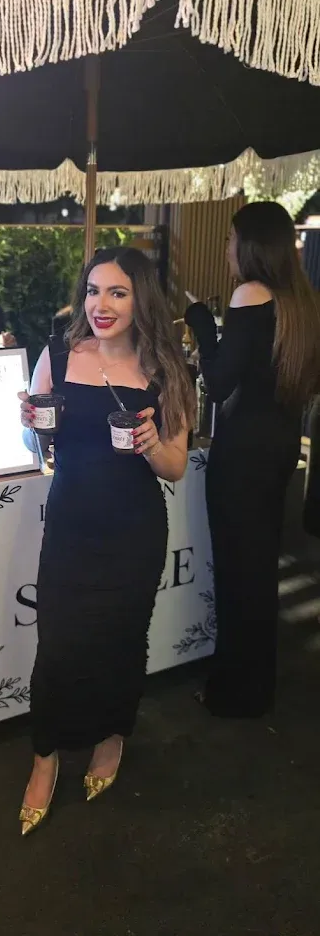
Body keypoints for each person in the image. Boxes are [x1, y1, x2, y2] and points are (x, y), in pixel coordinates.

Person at [18, 247, 195, 836]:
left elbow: (176, 467)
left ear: (142, 299)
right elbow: (37, 447)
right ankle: (45, 758)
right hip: (71, 526)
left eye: (118, 292)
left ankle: (112, 737)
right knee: (57, 648)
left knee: (121, 641)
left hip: (133, 531)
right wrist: (29, 426)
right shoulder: (58, 355)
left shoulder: (165, 369)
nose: (101, 304)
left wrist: (151, 444)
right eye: (93, 291)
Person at [185, 202, 320, 719]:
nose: (226, 249)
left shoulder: (250, 294)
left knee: (237, 572)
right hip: (280, 446)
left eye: (230, 239)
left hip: (243, 453)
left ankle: (233, 691)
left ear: (252, 246)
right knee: (260, 570)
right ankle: (255, 686)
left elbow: (218, 383)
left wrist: (202, 324)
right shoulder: (300, 303)